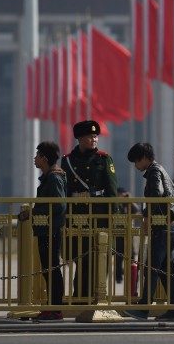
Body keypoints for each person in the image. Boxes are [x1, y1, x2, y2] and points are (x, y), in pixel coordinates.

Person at [125, 142, 174, 321]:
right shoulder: (160, 170)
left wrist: (147, 215)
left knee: (151, 267)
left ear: (144, 158)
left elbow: (156, 195)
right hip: (169, 226)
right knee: (165, 270)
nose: (136, 166)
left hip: (162, 226)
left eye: (136, 161)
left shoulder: (154, 172)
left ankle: (144, 308)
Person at [61, 120, 118, 300]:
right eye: (89, 137)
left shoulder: (103, 158)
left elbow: (112, 190)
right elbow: (65, 190)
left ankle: (98, 297)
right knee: (81, 259)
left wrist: (113, 216)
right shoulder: (67, 161)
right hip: (78, 217)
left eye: (95, 136)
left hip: (100, 215)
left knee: (100, 258)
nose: (94, 140)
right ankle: (80, 297)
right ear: (80, 138)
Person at [21, 141, 67, 321]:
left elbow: (58, 205)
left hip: (51, 230)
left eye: (38, 155)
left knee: (53, 270)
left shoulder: (54, 178)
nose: (35, 158)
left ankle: (55, 309)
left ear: (45, 159)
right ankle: (52, 306)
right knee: (49, 269)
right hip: (46, 229)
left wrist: (32, 212)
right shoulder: (51, 177)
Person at [116, 187, 141, 297]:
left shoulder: (128, 204)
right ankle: (118, 277)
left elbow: (136, 210)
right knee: (118, 256)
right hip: (118, 233)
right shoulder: (117, 204)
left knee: (131, 256)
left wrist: (129, 200)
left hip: (129, 234)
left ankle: (131, 276)